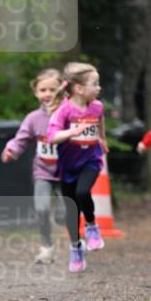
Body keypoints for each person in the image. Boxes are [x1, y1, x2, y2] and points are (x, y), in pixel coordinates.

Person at [46, 62, 107, 273]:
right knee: (72, 208)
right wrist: (71, 132)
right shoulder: (64, 110)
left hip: (91, 159)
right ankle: (75, 247)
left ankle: (91, 226)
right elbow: (52, 136)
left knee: (83, 192)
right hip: (68, 165)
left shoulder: (97, 106)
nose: (99, 88)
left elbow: (100, 121)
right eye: (95, 84)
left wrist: (102, 138)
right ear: (79, 88)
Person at [1, 68, 65, 264]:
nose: (47, 94)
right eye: (43, 90)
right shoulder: (33, 118)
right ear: (36, 92)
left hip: (67, 172)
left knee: (64, 215)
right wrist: (11, 150)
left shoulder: (70, 114)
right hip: (43, 171)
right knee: (41, 209)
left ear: (61, 90)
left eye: (52, 89)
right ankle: (46, 248)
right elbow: (21, 139)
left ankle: (77, 244)